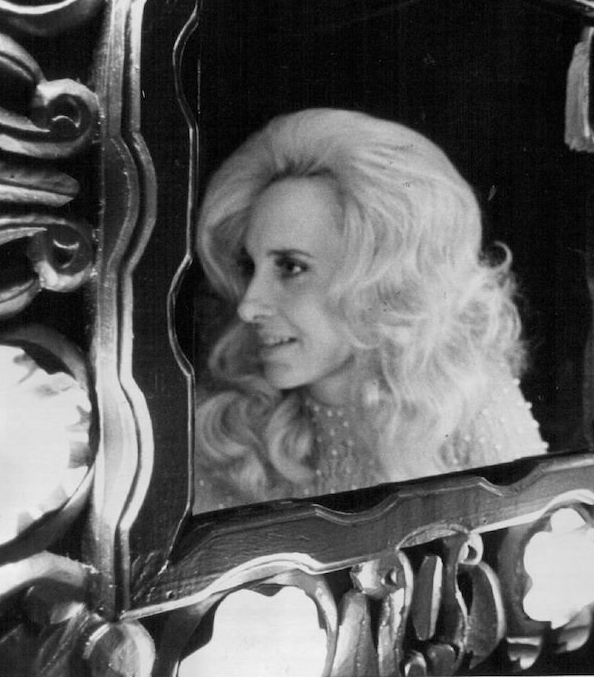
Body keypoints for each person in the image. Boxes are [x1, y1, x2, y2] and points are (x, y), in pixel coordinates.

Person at [192, 108, 546, 512]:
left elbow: (549, 538)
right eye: (248, 266)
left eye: (291, 267)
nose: (248, 306)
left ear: (379, 277)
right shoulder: (229, 428)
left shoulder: (465, 403)